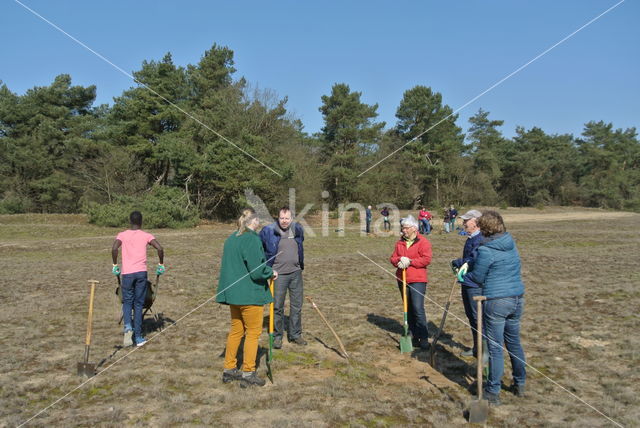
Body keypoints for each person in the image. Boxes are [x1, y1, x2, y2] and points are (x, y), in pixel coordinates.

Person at [461, 210, 526, 406]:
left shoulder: (486, 250)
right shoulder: (510, 243)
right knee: (513, 343)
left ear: (485, 228)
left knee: (496, 347)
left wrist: (462, 275)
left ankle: (492, 391)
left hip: (497, 301)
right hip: (517, 298)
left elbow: (478, 277)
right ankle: (519, 383)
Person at [217, 208, 277, 387]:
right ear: (254, 221)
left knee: (236, 331)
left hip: (234, 295)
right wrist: (270, 272)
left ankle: (229, 369)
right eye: (259, 220)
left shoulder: (231, 238)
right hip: (249, 295)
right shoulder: (251, 239)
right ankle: (248, 372)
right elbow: (257, 270)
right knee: (252, 333)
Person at [112, 211, 164, 347]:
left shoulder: (122, 235)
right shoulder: (146, 236)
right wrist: (161, 264)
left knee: (127, 302)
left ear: (130, 221)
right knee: (139, 304)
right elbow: (159, 248)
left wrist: (115, 265)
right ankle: (139, 337)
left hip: (127, 274)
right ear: (141, 222)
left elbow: (114, 248)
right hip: (141, 273)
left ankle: (128, 328)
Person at [260, 206, 306, 349]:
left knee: (297, 305)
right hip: (277, 275)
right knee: (277, 306)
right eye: (282, 218)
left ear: (291, 219)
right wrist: (267, 268)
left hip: (296, 273)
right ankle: (278, 336)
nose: (284, 221)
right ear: (277, 218)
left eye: (287, 218)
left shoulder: (297, 229)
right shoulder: (268, 231)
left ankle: (295, 334)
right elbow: (259, 247)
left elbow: (300, 244)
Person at [389, 215, 432, 350]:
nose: (403, 230)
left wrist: (411, 261)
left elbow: (426, 259)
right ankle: (412, 335)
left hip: (418, 280)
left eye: (406, 228)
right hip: (402, 278)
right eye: (402, 228)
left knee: (418, 308)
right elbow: (392, 258)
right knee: (407, 308)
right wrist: (399, 260)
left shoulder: (423, 242)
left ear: (414, 228)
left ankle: (423, 337)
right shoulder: (399, 243)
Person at [450, 210, 487, 360]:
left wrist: (457, 262)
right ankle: (477, 348)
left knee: (479, 318)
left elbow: (473, 259)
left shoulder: (481, 239)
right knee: (471, 316)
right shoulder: (470, 238)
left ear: (476, 222)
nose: (464, 223)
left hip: (476, 284)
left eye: (467, 221)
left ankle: (485, 351)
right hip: (467, 281)